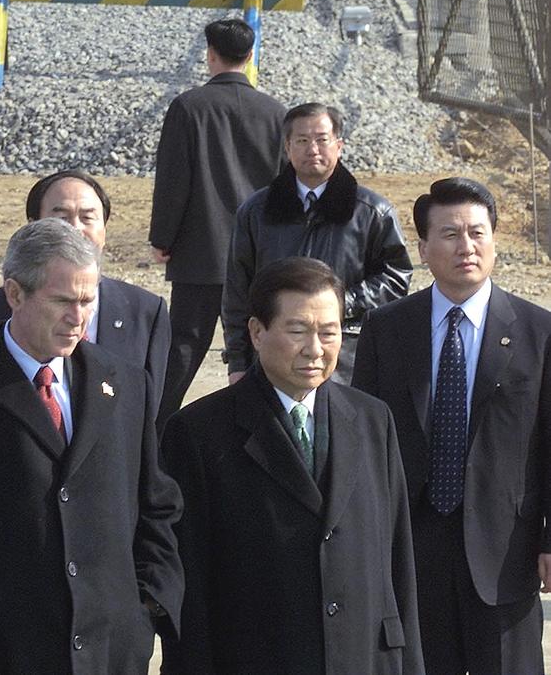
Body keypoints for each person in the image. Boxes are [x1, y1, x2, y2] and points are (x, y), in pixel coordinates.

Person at [0, 219, 184, 675]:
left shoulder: (127, 384)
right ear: (15, 294)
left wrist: (147, 604)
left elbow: (157, 504)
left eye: (88, 300)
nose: (78, 318)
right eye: (62, 301)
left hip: (110, 653)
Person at [162, 257, 424, 675]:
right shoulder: (197, 433)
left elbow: (397, 563)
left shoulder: (374, 420)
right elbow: (189, 590)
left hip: (364, 658)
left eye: (329, 332)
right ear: (257, 332)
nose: (315, 349)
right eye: (298, 330)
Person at [352, 177, 551, 675]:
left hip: (507, 550)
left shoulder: (538, 330)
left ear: (494, 240)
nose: (467, 246)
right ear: (423, 248)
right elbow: (367, 442)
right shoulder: (388, 328)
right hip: (413, 549)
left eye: (478, 233)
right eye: (450, 234)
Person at [149, 18, 286, 429]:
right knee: (258, 342)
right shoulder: (275, 113)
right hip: (260, 254)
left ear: (211, 54)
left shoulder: (188, 107)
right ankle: (266, 424)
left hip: (200, 250)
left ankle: (154, 431)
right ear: (250, 55)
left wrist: (162, 238)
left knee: (186, 344)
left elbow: (175, 180)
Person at [223, 101, 412, 386]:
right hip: (272, 359)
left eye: (322, 140)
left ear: (339, 145)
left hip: (346, 361)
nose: (313, 149)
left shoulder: (371, 212)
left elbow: (396, 279)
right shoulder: (256, 212)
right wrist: (237, 362)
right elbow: (237, 291)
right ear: (287, 148)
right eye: (302, 141)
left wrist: (341, 302)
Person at [0, 169, 170, 406]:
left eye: (87, 217)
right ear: (34, 226)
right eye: (61, 218)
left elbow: (151, 412)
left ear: (104, 228)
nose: (75, 229)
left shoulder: (145, 312)